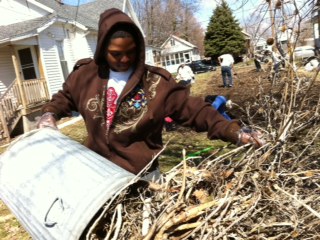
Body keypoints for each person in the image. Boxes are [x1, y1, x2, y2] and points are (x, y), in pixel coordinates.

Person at [37, 8, 264, 180]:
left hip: (142, 178)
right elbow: (64, 97)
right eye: (116, 54)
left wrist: (233, 131)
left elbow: (196, 111)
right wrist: (50, 114)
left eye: (131, 52)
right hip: (97, 176)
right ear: (102, 50)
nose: (124, 59)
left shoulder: (157, 83)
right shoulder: (84, 75)